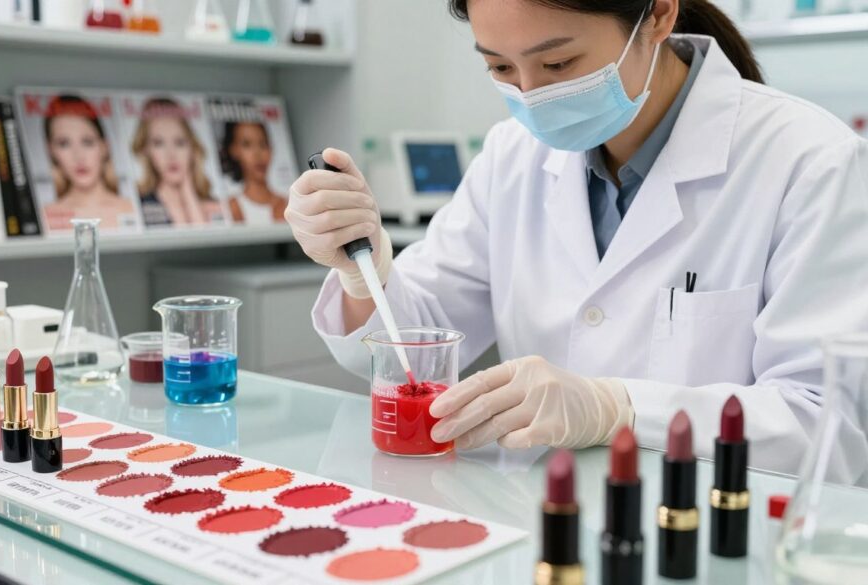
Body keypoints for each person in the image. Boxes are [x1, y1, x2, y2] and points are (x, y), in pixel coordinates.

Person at [286, 0, 868, 484]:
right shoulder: (512, 156)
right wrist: (363, 272)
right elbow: (419, 342)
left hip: (707, 533)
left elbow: (826, 428)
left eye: (558, 63)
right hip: (537, 516)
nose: (531, 94)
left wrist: (618, 409)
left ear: (658, 15)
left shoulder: (810, 162)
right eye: (500, 68)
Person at [44, 94, 135, 231]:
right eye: (64, 144)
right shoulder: (44, 216)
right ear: (51, 151)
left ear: (104, 147)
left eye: (87, 142)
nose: (78, 156)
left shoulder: (131, 209)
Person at [131, 97, 220, 227]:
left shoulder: (214, 205)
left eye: (179, 142)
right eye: (158, 143)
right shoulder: (138, 206)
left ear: (192, 147)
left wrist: (188, 191)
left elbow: (208, 237)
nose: (171, 155)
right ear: (146, 150)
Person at [220, 121, 287, 224]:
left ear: (270, 149)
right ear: (233, 151)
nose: (257, 154)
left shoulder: (289, 202)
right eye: (247, 144)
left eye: (263, 144)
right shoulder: (232, 207)